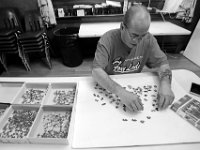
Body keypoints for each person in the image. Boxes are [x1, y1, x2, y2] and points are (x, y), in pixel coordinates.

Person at [92, 5, 175, 112]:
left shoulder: (149, 39)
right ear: (122, 27)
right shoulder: (107, 39)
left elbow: (163, 64)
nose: (138, 41)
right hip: (111, 85)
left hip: (134, 85)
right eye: (134, 35)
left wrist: (166, 84)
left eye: (142, 35)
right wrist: (121, 92)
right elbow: (96, 71)